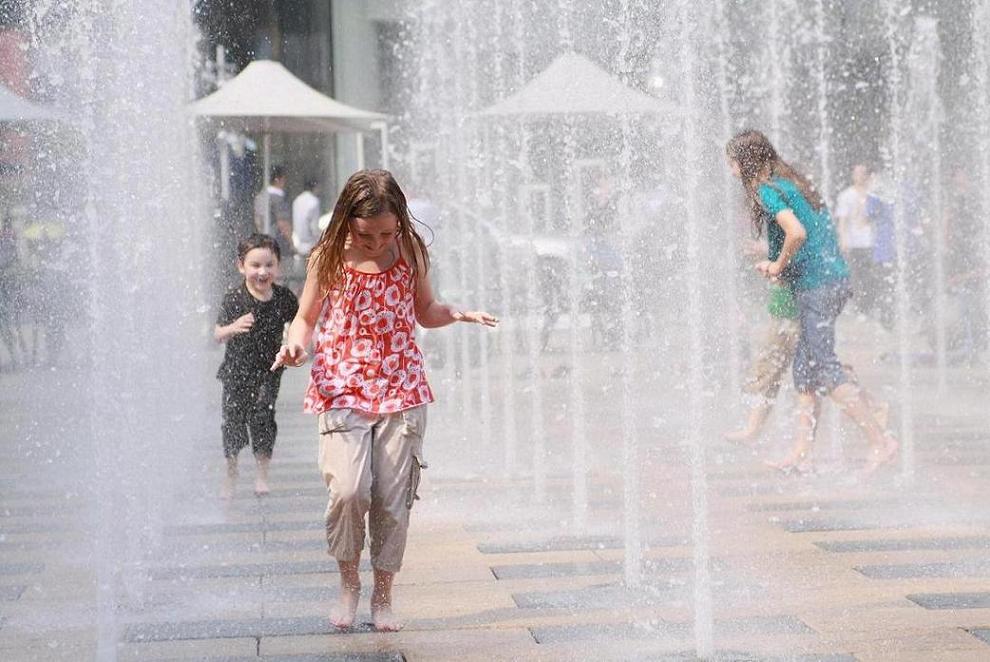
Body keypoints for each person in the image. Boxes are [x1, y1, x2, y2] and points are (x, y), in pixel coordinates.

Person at [271, 169, 497, 632]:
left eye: (387, 233)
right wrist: (296, 345)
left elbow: (425, 311)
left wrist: (455, 313)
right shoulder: (327, 257)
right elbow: (305, 318)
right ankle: (349, 584)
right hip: (340, 386)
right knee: (350, 491)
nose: (377, 243)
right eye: (366, 234)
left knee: (393, 501)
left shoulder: (410, 251)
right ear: (346, 222)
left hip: (402, 389)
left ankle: (384, 594)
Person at [725, 129, 898, 475]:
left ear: (744, 163)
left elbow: (797, 233)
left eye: (731, 162)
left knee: (823, 367)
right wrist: (773, 255)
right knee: (804, 370)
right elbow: (808, 232)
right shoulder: (788, 184)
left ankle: (881, 440)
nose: (730, 170)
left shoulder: (766, 191)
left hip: (818, 287)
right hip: (830, 281)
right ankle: (801, 452)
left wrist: (776, 264)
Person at [215, 233, 299, 498]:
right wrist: (233, 327)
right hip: (236, 371)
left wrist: (295, 346)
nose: (262, 272)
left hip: (269, 370)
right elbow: (217, 333)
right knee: (233, 421)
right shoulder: (235, 299)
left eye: (269, 265)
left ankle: (262, 475)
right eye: (255, 266)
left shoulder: (284, 298)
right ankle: (231, 471)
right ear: (241, 266)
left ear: (278, 266)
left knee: (263, 416)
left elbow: (300, 326)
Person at [254, 165, 295, 265]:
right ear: (278, 180)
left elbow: (258, 220)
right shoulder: (278, 198)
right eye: (284, 180)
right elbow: (282, 223)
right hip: (278, 242)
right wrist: (292, 243)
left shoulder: (260, 196)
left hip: (263, 242)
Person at [291, 177, 322, 291]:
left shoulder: (297, 200)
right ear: (315, 187)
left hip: (298, 242)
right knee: (310, 276)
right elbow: (313, 226)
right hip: (310, 243)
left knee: (298, 277)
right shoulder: (314, 201)